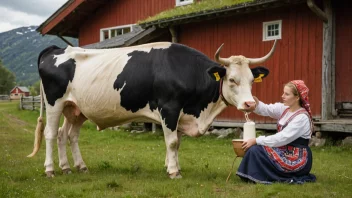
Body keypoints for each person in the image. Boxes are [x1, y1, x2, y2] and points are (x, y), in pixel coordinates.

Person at [236, 80, 316, 184]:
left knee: (256, 150)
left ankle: (259, 176)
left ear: (297, 98)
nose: (283, 96)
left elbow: (282, 138)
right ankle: (254, 177)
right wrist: (253, 103)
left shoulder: (301, 118)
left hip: (296, 157)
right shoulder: (285, 108)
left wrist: (256, 140)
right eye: (283, 93)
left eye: (287, 94)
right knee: (256, 149)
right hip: (284, 149)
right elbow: (267, 109)